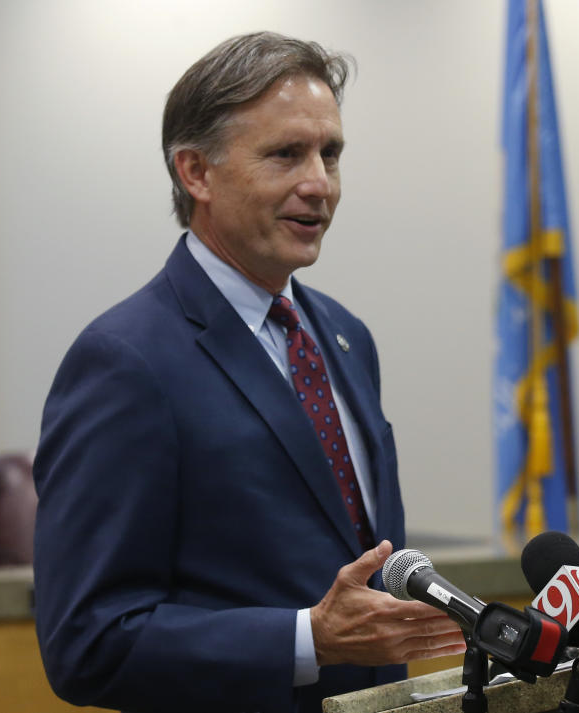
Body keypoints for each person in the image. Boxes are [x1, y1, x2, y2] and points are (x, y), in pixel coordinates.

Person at [32, 32, 465, 713]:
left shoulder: (348, 337)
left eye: (331, 153)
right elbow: (86, 641)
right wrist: (306, 639)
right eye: (286, 154)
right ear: (196, 173)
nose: (319, 183)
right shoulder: (124, 360)